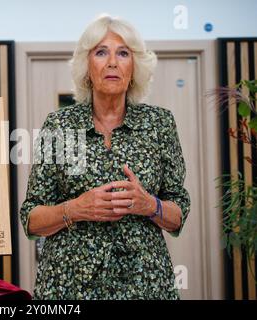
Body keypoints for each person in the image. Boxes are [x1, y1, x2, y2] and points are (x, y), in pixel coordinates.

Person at [19, 14, 191, 300]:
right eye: (101, 52)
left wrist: (148, 204)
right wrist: (75, 209)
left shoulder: (160, 124)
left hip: (145, 285)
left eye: (123, 53)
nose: (112, 62)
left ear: (134, 67)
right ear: (87, 67)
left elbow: (178, 216)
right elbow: (31, 220)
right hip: (68, 287)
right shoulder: (60, 126)